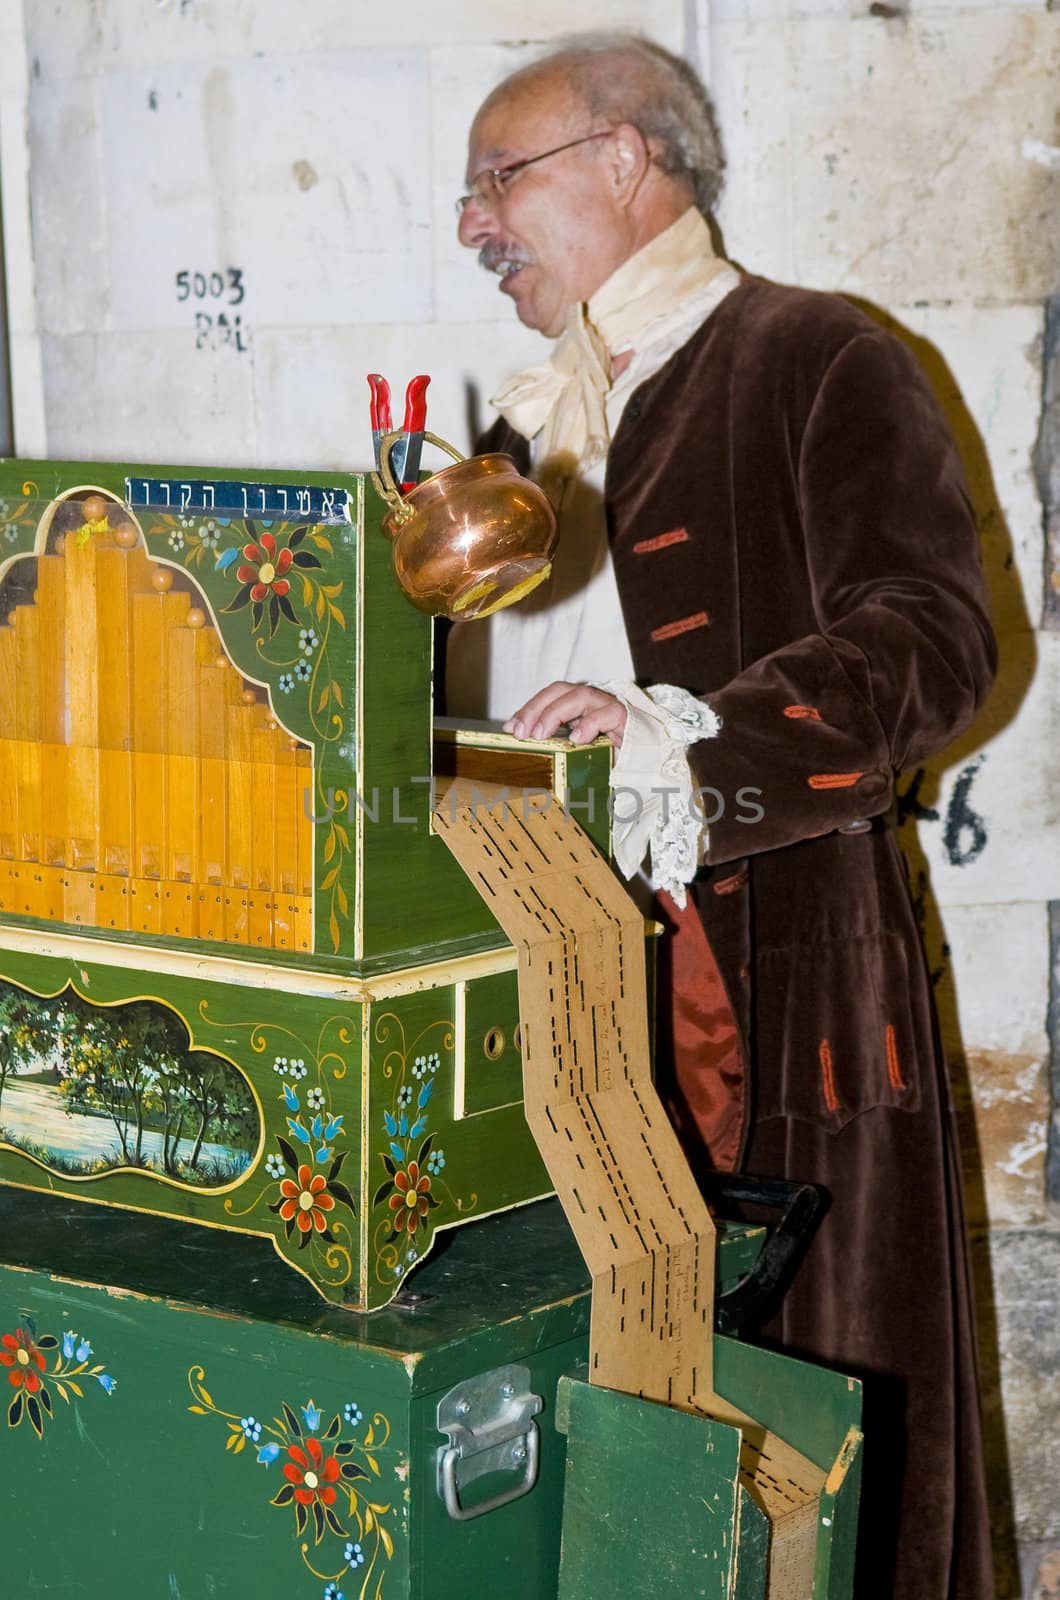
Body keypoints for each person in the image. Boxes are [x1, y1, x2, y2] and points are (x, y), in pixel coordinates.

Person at [445, 31, 996, 1600]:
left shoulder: (820, 354)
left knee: (793, 1435)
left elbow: (934, 639)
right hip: (531, 990)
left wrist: (686, 741)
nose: (473, 225)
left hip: (758, 984)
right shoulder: (514, 436)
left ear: (629, 160)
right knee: (584, 1410)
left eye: (501, 178)